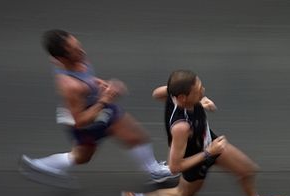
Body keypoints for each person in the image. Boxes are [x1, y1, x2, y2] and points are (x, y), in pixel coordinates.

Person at [121, 70, 286, 196]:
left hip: (209, 143)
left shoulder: (173, 95)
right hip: (196, 159)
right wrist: (209, 152)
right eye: (198, 90)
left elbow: (156, 93)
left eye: (201, 86)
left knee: (247, 170)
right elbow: (174, 166)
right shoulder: (182, 127)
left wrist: (199, 100)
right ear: (183, 98)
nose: (203, 90)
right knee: (184, 193)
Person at [20, 30, 175, 185]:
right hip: (88, 120)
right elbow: (80, 121)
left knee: (88, 155)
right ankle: (154, 171)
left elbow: (85, 77)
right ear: (61, 58)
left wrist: (99, 83)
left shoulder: (68, 59)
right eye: (74, 51)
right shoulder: (70, 86)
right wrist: (105, 99)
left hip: (97, 108)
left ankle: (42, 165)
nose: (82, 51)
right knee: (90, 154)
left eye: (78, 45)